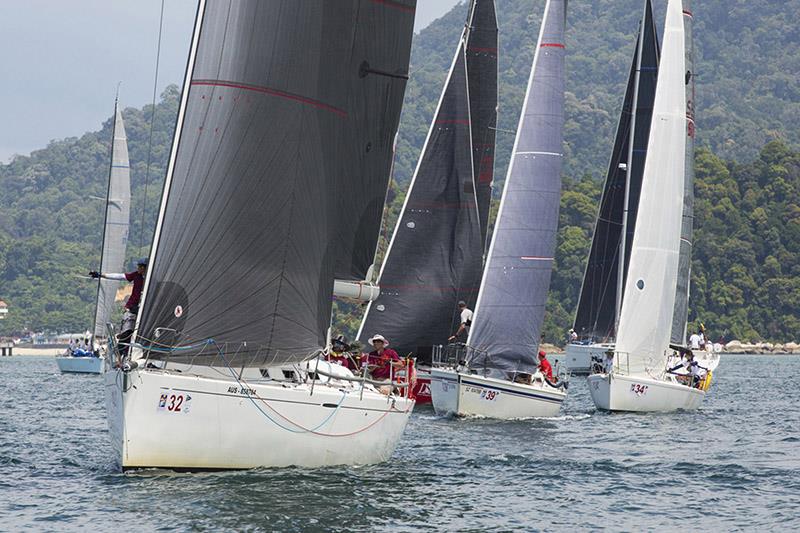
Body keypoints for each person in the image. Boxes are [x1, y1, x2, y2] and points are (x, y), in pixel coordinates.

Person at [90, 258, 148, 360]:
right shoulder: (136, 275)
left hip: (145, 307)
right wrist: (101, 275)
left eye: (139, 266)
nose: (137, 268)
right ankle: (122, 354)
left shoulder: (151, 278)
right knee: (127, 330)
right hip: (132, 307)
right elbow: (120, 276)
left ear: (144, 268)